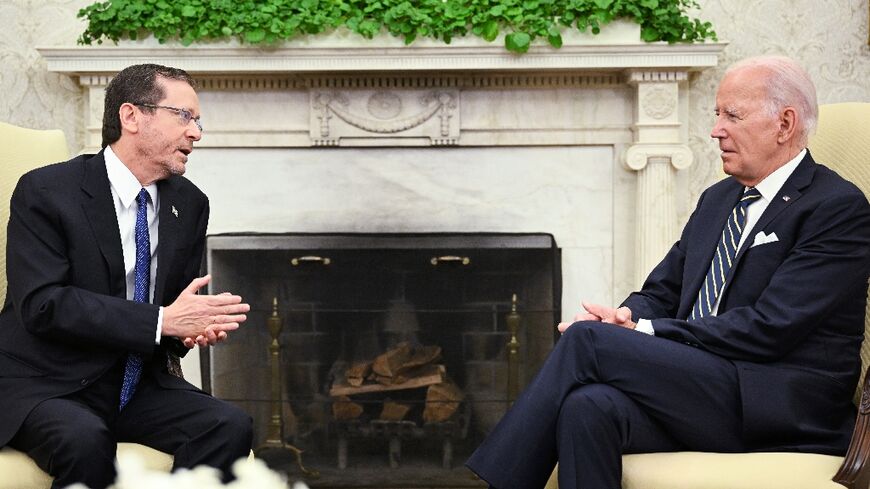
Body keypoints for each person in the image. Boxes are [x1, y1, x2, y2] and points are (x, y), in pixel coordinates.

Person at [466, 55, 870, 489]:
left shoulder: (836, 208)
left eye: (732, 115)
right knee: (588, 406)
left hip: (778, 402)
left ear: (785, 124)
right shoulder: (718, 200)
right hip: (703, 388)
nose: (716, 129)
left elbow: (772, 327)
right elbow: (660, 291)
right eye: (716, 114)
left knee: (586, 340)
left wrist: (646, 331)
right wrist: (625, 318)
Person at [0, 64, 254, 489]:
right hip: (47, 382)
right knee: (84, 440)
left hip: (135, 382)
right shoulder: (46, 191)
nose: (197, 133)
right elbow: (42, 305)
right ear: (132, 116)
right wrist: (163, 322)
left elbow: (170, 313)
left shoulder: (190, 203)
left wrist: (188, 329)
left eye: (198, 120)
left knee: (229, 424)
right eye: (184, 116)